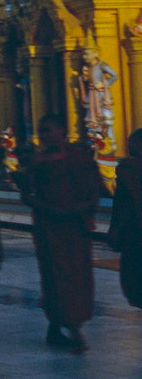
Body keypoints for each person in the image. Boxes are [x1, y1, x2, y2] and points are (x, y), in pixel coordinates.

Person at [20, 114, 102, 352]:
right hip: (49, 226)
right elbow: (27, 196)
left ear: (62, 130)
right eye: (41, 131)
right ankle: (67, 328)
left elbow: (94, 190)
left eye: (48, 130)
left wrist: (82, 209)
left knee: (77, 275)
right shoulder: (37, 162)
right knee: (54, 275)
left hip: (75, 226)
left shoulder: (80, 156)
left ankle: (65, 325)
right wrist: (50, 209)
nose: (44, 135)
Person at [108, 129, 142, 309]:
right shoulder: (128, 170)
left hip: (134, 231)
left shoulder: (128, 170)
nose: (129, 147)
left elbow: (121, 204)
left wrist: (115, 229)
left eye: (133, 143)